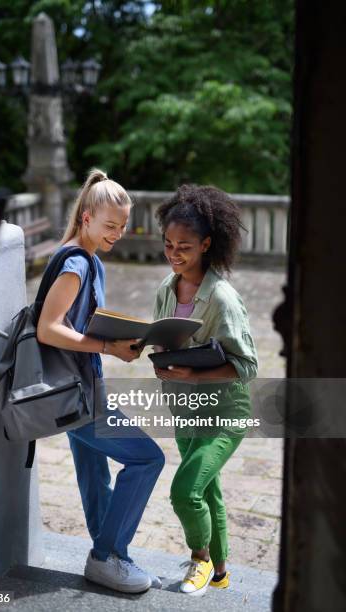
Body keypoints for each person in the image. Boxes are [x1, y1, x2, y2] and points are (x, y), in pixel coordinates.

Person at [37, 168, 165, 594]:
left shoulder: (89, 258)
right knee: (147, 459)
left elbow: (80, 325)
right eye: (111, 225)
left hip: (82, 387)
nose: (119, 233)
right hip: (73, 394)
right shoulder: (76, 262)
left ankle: (112, 558)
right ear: (87, 217)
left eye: (124, 226)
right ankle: (106, 555)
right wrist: (109, 348)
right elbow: (48, 329)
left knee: (94, 474)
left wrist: (117, 339)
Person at [152, 184, 258, 597]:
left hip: (224, 412)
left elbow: (247, 365)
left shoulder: (223, 298)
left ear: (207, 244)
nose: (174, 254)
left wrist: (195, 376)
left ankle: (199, 559)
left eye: (185, 247)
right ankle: (220, 573)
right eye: (168, 244)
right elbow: (163, 338)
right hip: (184, 408)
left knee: (186, 491)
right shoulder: (166, 287)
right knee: (207, 491)